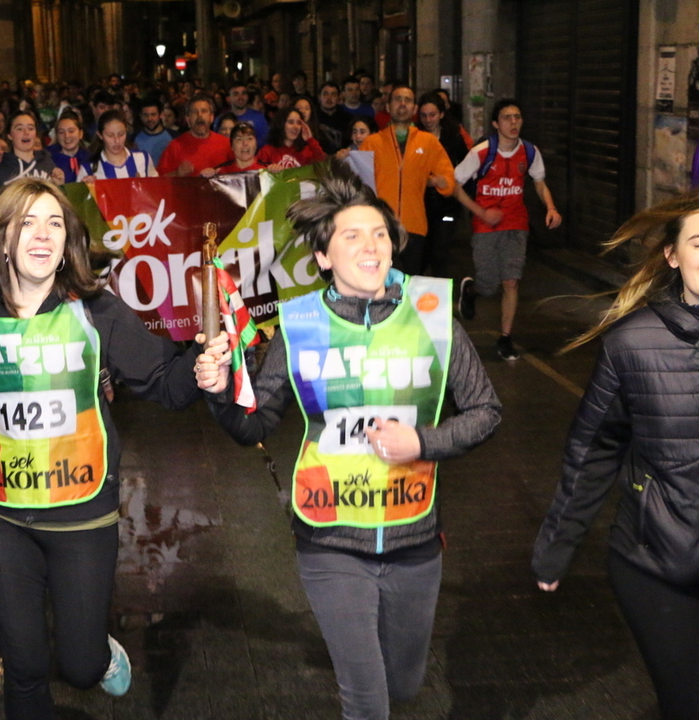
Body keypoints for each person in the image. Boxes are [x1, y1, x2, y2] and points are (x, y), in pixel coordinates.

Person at [194, 165, 500, 720]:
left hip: (414, 540)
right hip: (329, 538)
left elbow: (486, 411)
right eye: (352, 236)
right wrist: (219, 393)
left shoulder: (431, 314)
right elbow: (253, 426)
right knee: (367, 699)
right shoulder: (300, 325)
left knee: (403, 684)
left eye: (379, 233)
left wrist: (421, 442)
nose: (371, 245)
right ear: (322, 257)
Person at [0, 177, 208, 720]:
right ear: (2, 241)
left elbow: (167, 385)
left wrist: (202, 363)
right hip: (0, 512)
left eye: (54, 223)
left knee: (79, 667)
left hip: (82, 514)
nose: (42, 234)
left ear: (67, 241)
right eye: (26, 222)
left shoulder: (95, 312)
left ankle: (98, 654)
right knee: (24, 666)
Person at [532, 191, 699, 720]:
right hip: (658, 563)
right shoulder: (632, 343)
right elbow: (594, 447)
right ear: (671, 255)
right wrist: (558, 544)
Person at [452, 98, 561, 360]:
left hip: (516, 223)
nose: (513, 122)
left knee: (511, 281)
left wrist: (551, 207)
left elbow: (539, 182)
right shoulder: (481, 152)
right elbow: (454, 185)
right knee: (489, 285)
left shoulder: (530, 152)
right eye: (507, 118)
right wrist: (481, 213)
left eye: (517, 117)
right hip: (485, 225)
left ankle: (505, 338)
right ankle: (472, 290)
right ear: (495, 124)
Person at [360, 85, 455, 275]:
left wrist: (440, 181)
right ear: (388, 107)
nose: (402, 104)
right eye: (397, 99)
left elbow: (448, 179)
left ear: (414, 108)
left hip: (414, 226)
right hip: (379, 226)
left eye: (408, 100)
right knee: (381, 282)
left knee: (409, 282)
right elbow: (358, 181)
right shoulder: (372, 142)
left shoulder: (428, 142)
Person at [415, 93, 473, 277]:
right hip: (420, 204)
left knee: (440, 252)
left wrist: (452, 180)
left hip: (447, 205)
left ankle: (439, 289)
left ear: (441, 114)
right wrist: (427, 180)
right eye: (424, 115)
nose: (428, 120)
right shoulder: (414, 137)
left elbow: (466, 163)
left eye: (432, 115)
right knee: (421, 253)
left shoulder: (453, 137)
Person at [0, 110, 64, 202]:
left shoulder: (47, 163)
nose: (26, 132)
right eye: (19, 129)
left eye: (30, 128)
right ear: (10, 135)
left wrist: (59, 186)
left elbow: (60, 203)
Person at [157, 95, 234, 177]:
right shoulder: (175, 146)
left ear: (211, 117)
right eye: (194, 112)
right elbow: (160, 180)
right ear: (188, 119)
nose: (199, 115)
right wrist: (177, 173)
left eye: (204, 111)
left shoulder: (227, 144)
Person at [79, 110, 157, 180]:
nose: (117, 141)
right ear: (100, 135)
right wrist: (84, 188)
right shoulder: (89, 168)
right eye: (110, 135)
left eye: (121, 134)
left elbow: (156, 188)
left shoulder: (143, 159)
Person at [257, 107, 326, 171]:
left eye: (299, 123)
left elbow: (323, 164)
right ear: (281, 124)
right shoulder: (267, 151)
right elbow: (258, 173)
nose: (295, 127)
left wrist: (310, 139)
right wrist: (270, 169)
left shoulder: (306, 151)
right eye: (291, 122)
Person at [202, 122, 267, 176]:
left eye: (249, 139)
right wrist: (204, 176)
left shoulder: (266, 171)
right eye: (239, 139)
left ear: (256, 144)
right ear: (232, 146)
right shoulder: (220, 172)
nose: (245, 143)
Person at [215, 82, 268, 147]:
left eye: (244, 93)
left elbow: (265, 142)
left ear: (247, 97)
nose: (240, 97)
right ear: (228, 99)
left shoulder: (259, 118)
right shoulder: (221, 120)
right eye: (236, 94)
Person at [48, 112, 91, 184]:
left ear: (80, 134)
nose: (66, 136)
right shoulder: (48, 158)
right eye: (61, 132)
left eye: (71, 131)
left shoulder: (91, 158)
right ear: (57, 136)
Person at [132, 99, 175, 166]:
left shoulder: (174, 136)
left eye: (153, 114)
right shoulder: (133, 138)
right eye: (146, 115)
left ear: (160, 115)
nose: (150, 119)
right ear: (141, 116)